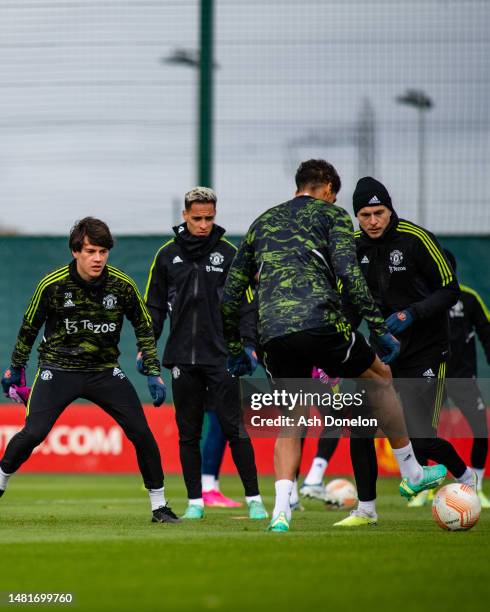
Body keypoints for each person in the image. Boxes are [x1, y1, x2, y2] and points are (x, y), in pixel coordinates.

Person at [221, 159, 447, 533]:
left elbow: (230, 296)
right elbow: (349, 273)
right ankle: (412, 470)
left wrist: (235, 348)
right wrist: (378, 326)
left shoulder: (261, 223)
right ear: (326, 187)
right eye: (335, 194)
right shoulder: (333, 216)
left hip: (273, 332)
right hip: (321, 323)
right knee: (380, 374)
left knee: (292, 419)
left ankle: (280, 512)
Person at [0, 217, 180, 524]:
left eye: (103, 252)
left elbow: (144, 326)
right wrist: (15, 368)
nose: (97, 258)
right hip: (58, 369)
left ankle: (160, 507)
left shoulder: (122, 285)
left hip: (103, 372)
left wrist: (152, 371)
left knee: (141, 433)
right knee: (34, 433)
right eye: (91, 251)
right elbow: (29, 327)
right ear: (75, 252)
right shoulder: (52, 284)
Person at [334, 177, 476, 526]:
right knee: (361, 426)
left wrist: (411, 314)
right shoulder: (351, 248)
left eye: (378, 212)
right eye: (364, 215)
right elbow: (347, 304)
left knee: (421, 441)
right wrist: (336, 347)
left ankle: (467, 480)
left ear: (390, 208)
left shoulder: (416, 239)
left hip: (427, 352)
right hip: (381, 354)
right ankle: (365, 510)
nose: (372, 221)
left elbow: (450, 290)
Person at [143, 187, 267, 520]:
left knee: (234, 428)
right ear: (184, 216)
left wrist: (249, 346)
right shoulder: (167, 255)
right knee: (188, 434)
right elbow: (153, 308)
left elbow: (247, 306)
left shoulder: (230, 254)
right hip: (182, 357)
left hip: (222, 357)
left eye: (209, 218)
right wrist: (147, 346)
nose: (203, 224)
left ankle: (255, 499)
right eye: (197, 218)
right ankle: (195, 502)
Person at [443, 248, 490, 508]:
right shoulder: (422, 299)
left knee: (481, 431)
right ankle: (424, 490)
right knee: (423, 432)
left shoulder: (470, 298)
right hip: (433, 377)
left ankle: (478, 487)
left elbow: (486, 332)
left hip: (464, 379)